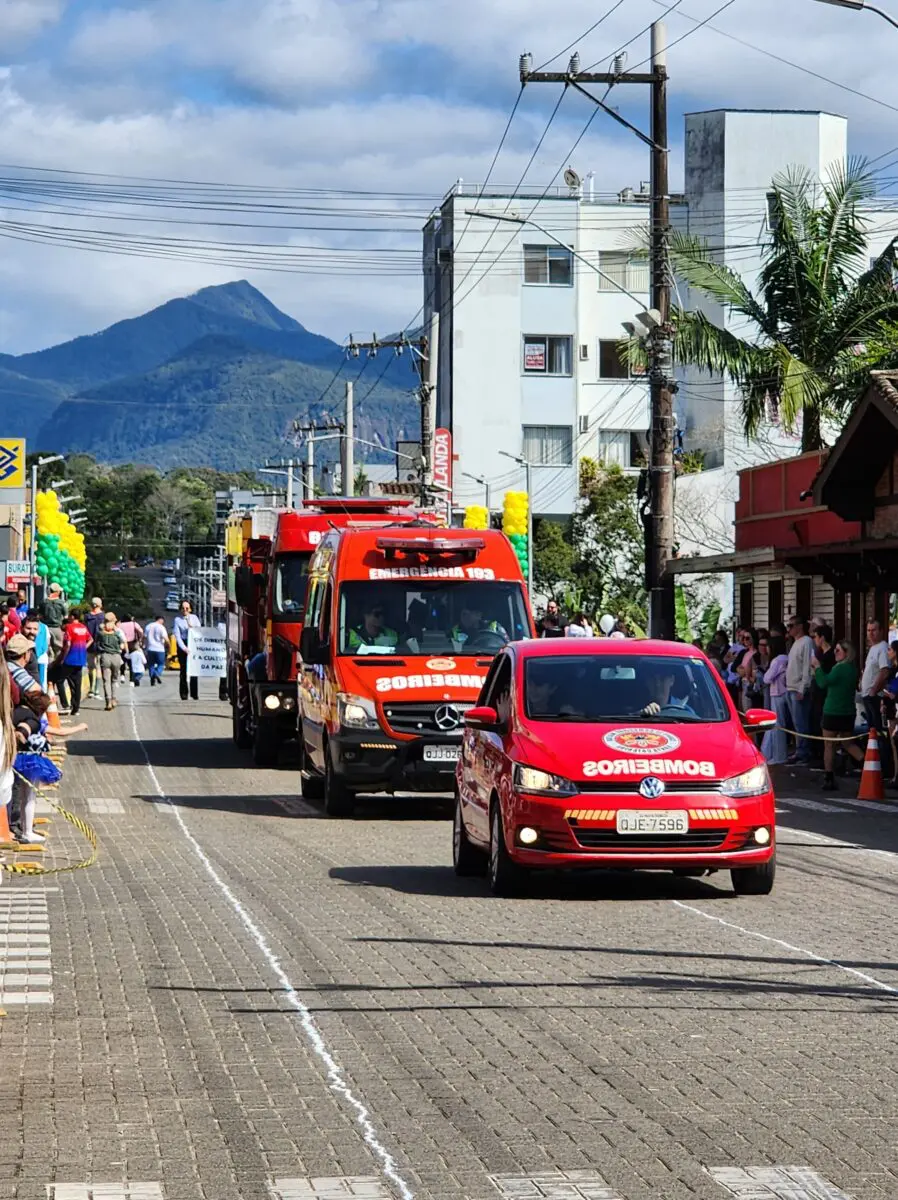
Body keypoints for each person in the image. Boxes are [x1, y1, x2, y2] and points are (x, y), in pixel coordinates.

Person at [816, 639, 865, 791]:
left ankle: (829, 778)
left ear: (846, 652)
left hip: (833, 711)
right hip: (848, 712)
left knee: (829, 745)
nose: (835, 653)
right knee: (848, 743)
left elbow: (823, 683)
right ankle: (868, 765)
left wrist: (817, 668)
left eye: (838, 650)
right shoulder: (852, 669)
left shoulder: (839, 669)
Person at [861, 618, 892, 777]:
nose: (871, 633)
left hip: (875, 698)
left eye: (874, 630)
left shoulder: (882, 648)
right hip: (867, 696)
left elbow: (884, 671)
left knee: (878, 733)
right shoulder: (873, 648)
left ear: (880, 631)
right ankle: (874, 765)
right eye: (868, 630)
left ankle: (884, 768)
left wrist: (874, 689)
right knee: (871, 733)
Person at [785, 615, 814, 764]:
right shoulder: (795, 643)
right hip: (790, 687)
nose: (788, 629)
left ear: (799, 626)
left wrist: (803, 688)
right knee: (796, 723)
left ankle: (804, 752)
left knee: (801, 722)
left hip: (798, 688)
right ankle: (799, 750)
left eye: (791, 626)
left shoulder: (807, 642)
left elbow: (806, 667)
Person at [56, 610, 92, 717]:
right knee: (77, 684)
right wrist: (83, 648)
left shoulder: (70, 627)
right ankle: (76, 709)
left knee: (59, 680)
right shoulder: (83, 627)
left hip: (70, 659)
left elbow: (67, 643)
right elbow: (90, 639)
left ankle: (65, 704)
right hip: (81, 659)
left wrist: (63, 657)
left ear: (72, 616)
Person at [762, 634, 790, 765]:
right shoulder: (786, 658)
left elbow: (767, 678)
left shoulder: (777, 661)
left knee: (778, 725)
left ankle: (779, 756)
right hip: (784, 691)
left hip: (777, 693)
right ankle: (772, 754)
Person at [95, 613, 126, 710]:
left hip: (105, 657)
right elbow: (122, 646)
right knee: (114, 680)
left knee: (106, 681)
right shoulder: (117, 634)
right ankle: (113, 699)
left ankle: (108, 701)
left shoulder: (101, 633)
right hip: (116, 657)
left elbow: (97, 643)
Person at [173, 601, 201, 701]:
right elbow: (177, 636)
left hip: (193, 642)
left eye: (187, 608)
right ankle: (184, 693)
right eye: (183, 608)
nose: (185, 610)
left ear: (190, 609)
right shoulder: (177, 620)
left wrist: (191, 627)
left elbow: (199, 630)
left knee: (194, 670)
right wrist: (184, 648)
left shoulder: (195, 618)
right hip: (184, 644)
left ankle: (194, 693)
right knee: (183, 670)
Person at [84, 597, 105, 699]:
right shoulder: (103, 617)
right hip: (100, 645)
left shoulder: (87, 617)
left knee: (90, 667)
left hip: (89, 644)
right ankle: (96, 690)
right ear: (100, 604)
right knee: (99, 668)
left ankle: (91, 690)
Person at [40, 583, 67, 658]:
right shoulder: (61, 603)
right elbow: (66, 616)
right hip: (56, 628)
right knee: (58, 650)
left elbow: (40, 615)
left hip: (45, 628)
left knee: (46, 650)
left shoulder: (44, 602)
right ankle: (57, 667)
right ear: (57, 591)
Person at [144, 616, 168, 687]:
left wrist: (142, 644)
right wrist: (168, 646)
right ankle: (157, 674)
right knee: (161, 664)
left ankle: (152, 679)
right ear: (161, 620)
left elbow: (144, 636)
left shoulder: (148, 626)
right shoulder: (161, 627)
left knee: (151, 665)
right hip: (160, 649)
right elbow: (166, 638)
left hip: (150, 648)